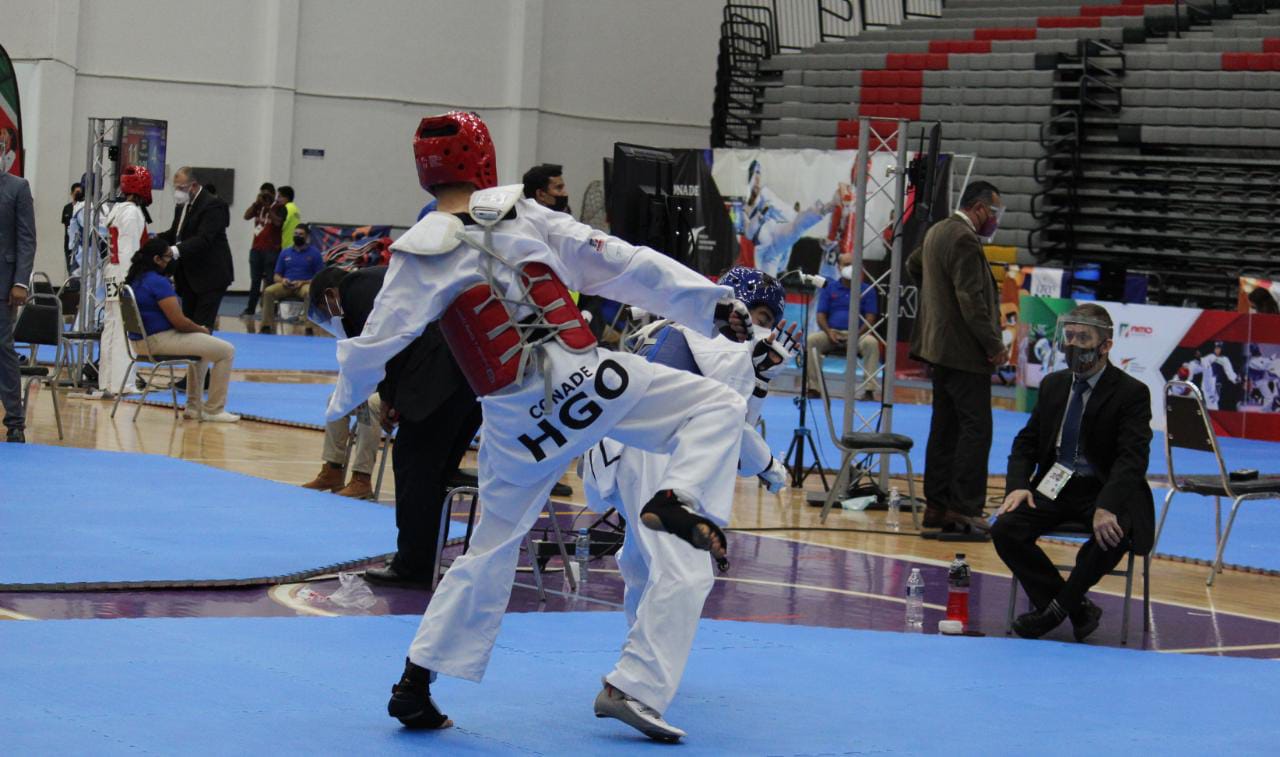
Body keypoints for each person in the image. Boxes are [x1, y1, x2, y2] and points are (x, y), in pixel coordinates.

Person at [323, 111, 753, 731]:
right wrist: (713, 303)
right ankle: (678, 493)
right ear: (484, 158)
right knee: (719, 405)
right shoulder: (526, 216)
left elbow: (375, 343)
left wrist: (340, 401)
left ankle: (414, 685)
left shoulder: (418, 253)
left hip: (517, 423)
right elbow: (624, 263)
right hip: (592, 381)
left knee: (488, 549)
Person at [581, 266, 793, 742]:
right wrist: (767, 461)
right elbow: (730, 401)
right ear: (734, 303)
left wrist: (762, 446)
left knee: (643, 563)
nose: (763, 328)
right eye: (758, 314)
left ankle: (642, 657)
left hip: (630, 453)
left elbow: (732, 415)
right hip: (661, 455)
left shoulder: (680, 331)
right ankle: (633, 686)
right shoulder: (712, 335)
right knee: (686, 569)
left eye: (769, 320)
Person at [309, 264, 483, 583]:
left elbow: (381, 352)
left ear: (331, 295)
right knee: (436, 473)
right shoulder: (383, 279)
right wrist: (391, 398)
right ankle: (423, 558)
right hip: (471, 378)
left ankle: (413, 565)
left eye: (324, 310)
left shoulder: (356, 292)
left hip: (439, 381)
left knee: (414, 468)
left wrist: (392, 397)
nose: (332, 321)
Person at [992, 304, 1153, 641]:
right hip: (1055, 484)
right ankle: (1076, 609)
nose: (1074, 345)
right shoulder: (1054, 384)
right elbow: (1026, 442)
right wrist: (1018, 486)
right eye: (1070, 337)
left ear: (1106, 345)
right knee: (1006, 527)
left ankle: (1053, 612)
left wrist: (1107, 506)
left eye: (1084, 338)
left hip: (1105, 487)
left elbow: (1131, 459)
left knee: (1112, 535)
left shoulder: (1132, 393)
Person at [907, 180, 1007, 534]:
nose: (995, 219)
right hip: (965, 353)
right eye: (993, 212)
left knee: (944, 428)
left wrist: (937, 302)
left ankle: (937, 505)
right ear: (979, 208)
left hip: (939, 350)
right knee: (976, 431)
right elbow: (972, 302)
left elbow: (913, 265)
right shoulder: (964, 238)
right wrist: (994, 345)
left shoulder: (937, 231)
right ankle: (964, 507)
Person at [123, 238, 239, 422]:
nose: (172, 261)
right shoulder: (158, 283)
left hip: (139, 342)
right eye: (169, 257)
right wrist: (202, 330)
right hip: (158, 340)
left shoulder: (136, 280)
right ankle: (214, 409)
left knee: (203, 351)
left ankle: (194, 407)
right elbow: (180, 322)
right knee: (226, 351)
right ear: (157, 259)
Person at [99, 165, 152, 397]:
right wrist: (133, 281)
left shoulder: (116, 210)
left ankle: (107, 380)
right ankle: (123, 383)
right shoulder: (131, 213)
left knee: (111, 327)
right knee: (123, 330)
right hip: (124, 273)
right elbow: (129, 249)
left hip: (112, 270)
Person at [159, 167, 234, 331]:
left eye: (181, 188)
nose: (177, 192)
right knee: (187, 324)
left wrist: (173, 251)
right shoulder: (182, 205)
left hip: (211, 275)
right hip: (189, 277)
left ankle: (200, 356)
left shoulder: (214, 205)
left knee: (201, 326)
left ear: (193, 186)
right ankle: (190, 356)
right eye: (176, 187)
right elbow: (175, 233)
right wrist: (154, 240)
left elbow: (204, 239)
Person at [805, 262, 879, 400]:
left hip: (858, 335)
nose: (850, 266)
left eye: (853, 263)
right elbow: (820, 315)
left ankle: (869, 390)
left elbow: (870, 318)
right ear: (839, 267)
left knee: (872, 343)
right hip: (831, 333)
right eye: (846, 264)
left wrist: (856, 335)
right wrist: (828, 332)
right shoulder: (830, 288)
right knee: (811, 340)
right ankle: (813, 387)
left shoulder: (867, 290)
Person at [0, 167, 35, 442]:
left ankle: (15, 422)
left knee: (2, 349)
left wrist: (20, 282)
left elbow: (26, 238)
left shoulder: (18, 187)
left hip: (4, 284)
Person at [259, 223, 323, 334]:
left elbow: (320, 278)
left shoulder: (315, 254)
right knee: (268, 291)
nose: (298, 236)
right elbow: (276, 276)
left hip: (304, 285)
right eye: (296, 234)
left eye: (301, 234)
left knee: (309, 293)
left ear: (307, 236)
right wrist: (283, 280)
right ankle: (266, 326)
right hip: (286, 285)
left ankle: (309, 328)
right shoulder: (285, 252)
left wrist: (303, 282)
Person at [242, 182, 285, 321]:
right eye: (262, 194)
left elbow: (278, 223)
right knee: (255, 280)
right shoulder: (258, 207)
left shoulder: (279, 207)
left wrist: (268, 207)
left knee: (270, 281)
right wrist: (256, 204)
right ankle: (250, 309)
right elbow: (246, 216)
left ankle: (270, 311)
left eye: (267, 194)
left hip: (272, 250)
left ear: (273, 194)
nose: (264, 197)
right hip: (256, 248)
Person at [1199, 340, 1239, 411]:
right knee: (1211, 405)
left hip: (1217, 385)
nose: (1218, 350)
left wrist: (1235, 379)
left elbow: (1229, 372)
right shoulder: (1208, 358)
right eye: (1216, 348)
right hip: (1208, 385)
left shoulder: (1225, 359)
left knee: (1215, 403)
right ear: (1214, 348)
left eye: (1219, 348)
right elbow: (1202, 365)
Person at [62, 182, 83, 273]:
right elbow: (65, 225)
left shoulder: (83, 208)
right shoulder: (67, 208)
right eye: (76, 192)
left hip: (81, 245)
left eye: (79, 193)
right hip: (69, 244)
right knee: (70, 270)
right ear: (71, 194)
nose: (78, 195)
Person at [277, 185, 301, 250]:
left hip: (285, 246)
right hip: (294, 245)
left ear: (286, 197)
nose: (277, 199)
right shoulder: (296, 209)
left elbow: (280, 225)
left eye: (279, 197)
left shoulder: (286, 208)